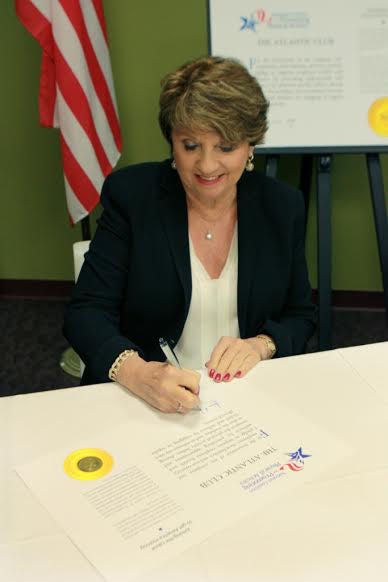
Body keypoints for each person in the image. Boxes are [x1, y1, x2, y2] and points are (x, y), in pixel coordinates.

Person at [63, 56, 316, 414]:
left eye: (225, 147)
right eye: (191, 145)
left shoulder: (282, 206)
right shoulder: (133, 197)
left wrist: (262, 345)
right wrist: (137, 373)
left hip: (244, 400)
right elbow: (86, 313)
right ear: (172, 143)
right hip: (143, 399)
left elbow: (300, 315)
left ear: (250, 146)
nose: (207, 165)